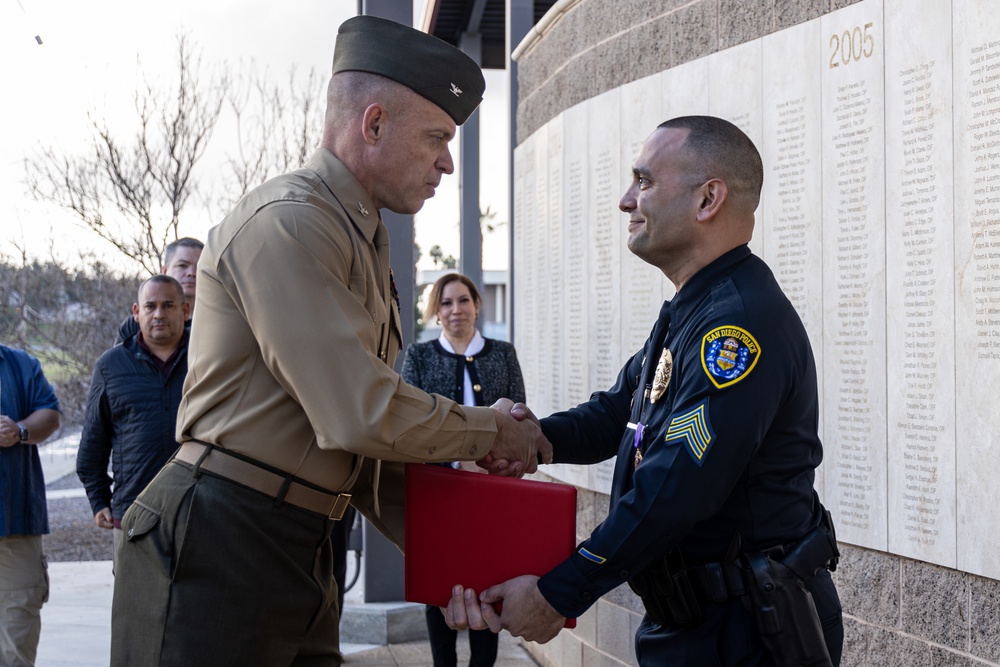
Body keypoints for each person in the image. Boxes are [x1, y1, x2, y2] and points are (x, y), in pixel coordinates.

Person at [110, 15, 547, 667]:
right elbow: (358, 412)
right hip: (216, 537)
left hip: (304, 541)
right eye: (436, 136)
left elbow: (362, 455)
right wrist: (491, 429)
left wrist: (471, 562)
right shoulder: (289, 224)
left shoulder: (360, 242)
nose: (447, 162)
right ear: (373, 124)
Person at [447, 116, 844, 667]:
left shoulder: (737, 329)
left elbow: (675, 488)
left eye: (644, 181)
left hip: (750, 632)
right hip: (697, 625)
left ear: (708, 199)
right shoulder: (693, 310)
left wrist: (557, 593)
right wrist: (531, 439)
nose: (625, 200)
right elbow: (618, 414)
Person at [401, 273, 526, 667]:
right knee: (441, 584)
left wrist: (494, 462)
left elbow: (519, 415)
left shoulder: (503, 353)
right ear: (436, 312)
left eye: (463, 301)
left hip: (491, 490)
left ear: (477, 305)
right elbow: (410, 421)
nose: (456, 310)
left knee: (488, 581)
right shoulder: (419, 357)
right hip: (439, 489)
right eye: (447, 303)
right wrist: (458, 456)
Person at [77, 275, 190, 568]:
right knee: (135, 610)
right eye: (150, 306)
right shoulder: (111, 366)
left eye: (168, 305)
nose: (159, 314)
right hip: (133, 514)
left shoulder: (207, 360)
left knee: (201, 609)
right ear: (136, 312)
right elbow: (93, 442)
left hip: (201, 513)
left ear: (185, 310)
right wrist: (99, 498)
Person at [0, 344, 62, 667]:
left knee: (15, 648)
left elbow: (50, 414)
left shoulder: (22, 365)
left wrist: (20, 431)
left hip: (16, 526)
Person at [114, 237, 203, 344]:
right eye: (182, 266)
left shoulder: (217, 322)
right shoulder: (136, 326)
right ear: (164, 271)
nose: (192, 273)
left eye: (199, 267)